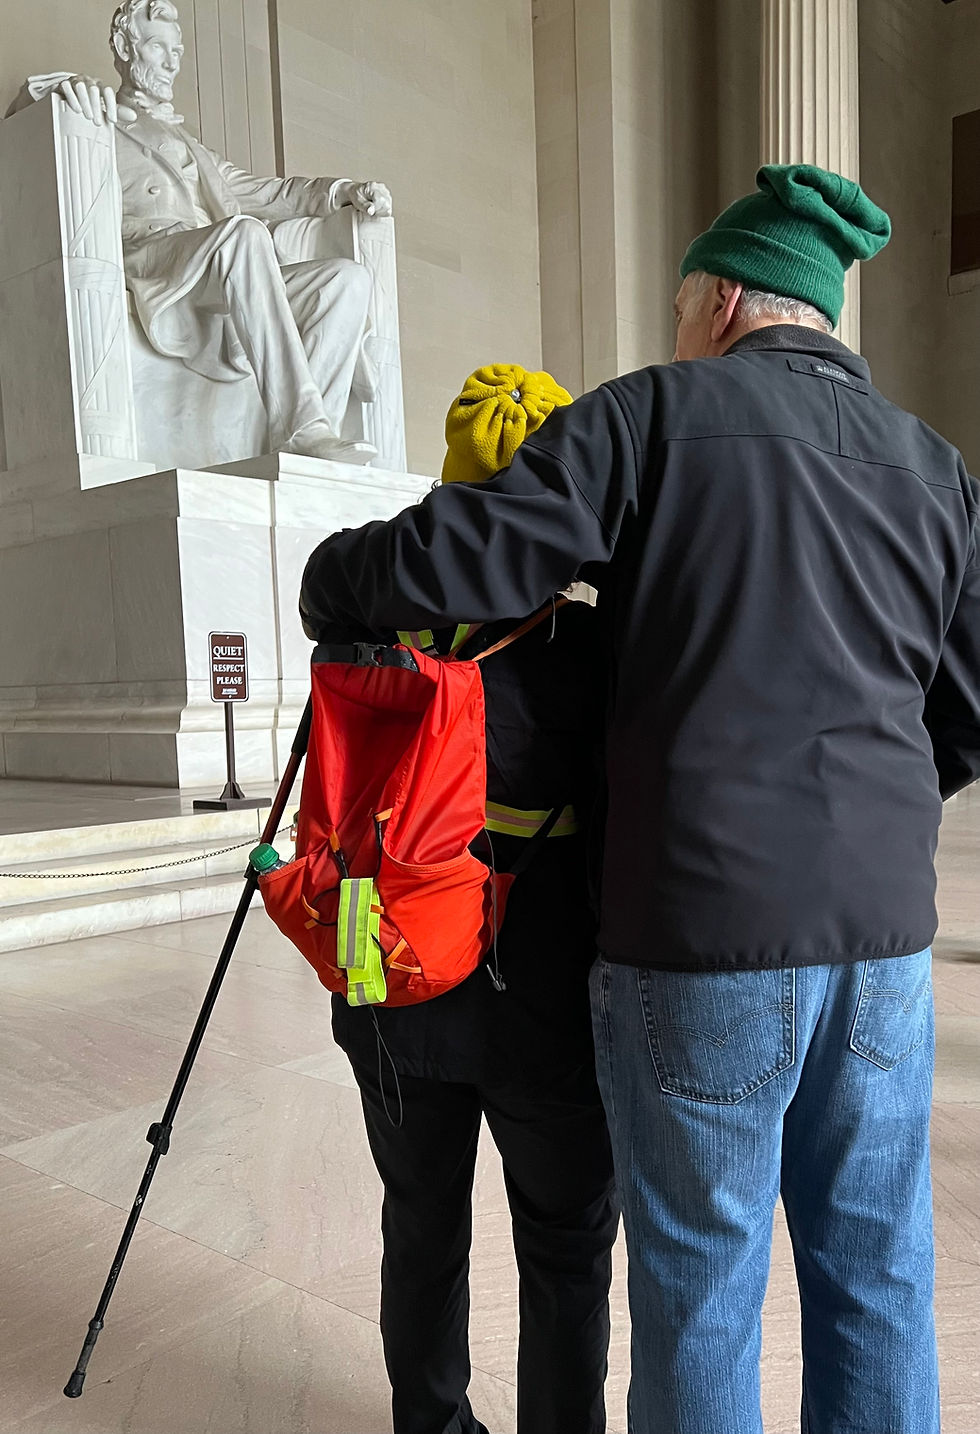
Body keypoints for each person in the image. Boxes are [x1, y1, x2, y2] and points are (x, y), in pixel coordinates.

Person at [299, 164, 980, 1433]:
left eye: (680, 313)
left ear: (723, 301)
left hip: (701, 938)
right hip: (884, 946)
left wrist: (334, 573)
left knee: (703, 1282)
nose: (678, 337)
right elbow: (971, 704)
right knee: (878, 1275)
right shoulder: (933, 468)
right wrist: (879, 804)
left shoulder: (653, 416)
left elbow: (468, 553)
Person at [304, 364, 619, 1434]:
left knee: (421, 1225)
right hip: (548, 1018)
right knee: (566, 1247)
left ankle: (431, 1425)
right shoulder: (587, 653)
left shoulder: (363, 640)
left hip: (390, 992)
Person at [15, 0, 391, 463]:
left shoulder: (195, 148)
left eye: (178, 50)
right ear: (124, 48)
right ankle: (303, 426)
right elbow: (21, 120)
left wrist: (341, 192)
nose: (172, 62)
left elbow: (270, 193)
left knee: (346, 281)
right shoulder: (99, 114)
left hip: (219, 264)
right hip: (155, 260)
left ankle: (311, 451)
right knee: (244, 235)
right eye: (158, 47)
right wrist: (67, 87)